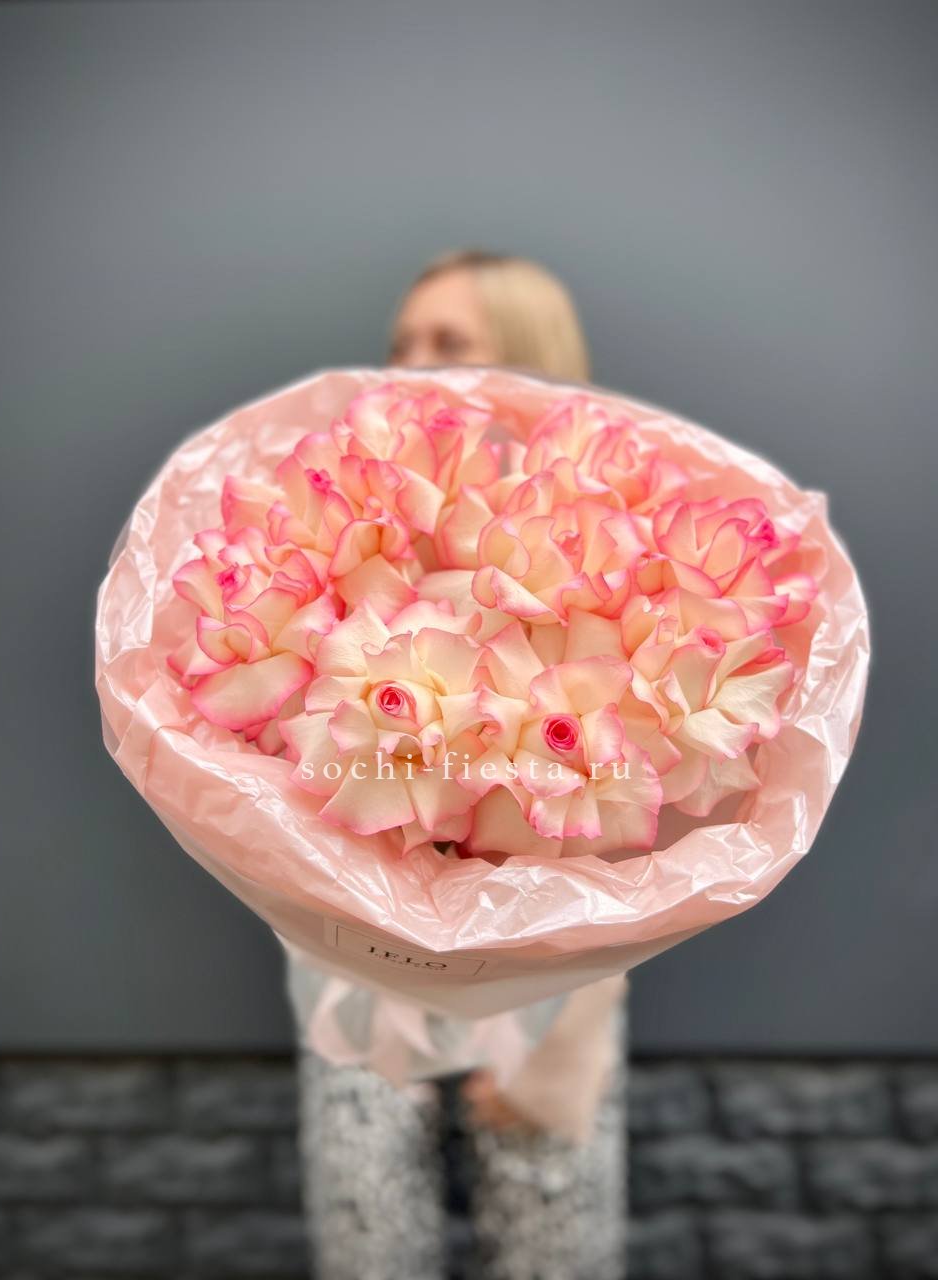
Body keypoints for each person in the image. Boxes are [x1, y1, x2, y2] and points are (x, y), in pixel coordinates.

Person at [287, 251, 628, 1280]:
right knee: (366, 1242)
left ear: (524, 355)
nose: (410, 363)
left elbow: (630, 818)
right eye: (401, 342)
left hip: (548, 975)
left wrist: (563, 1038)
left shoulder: (605, 535)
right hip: (355, 958)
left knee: (552, 1243)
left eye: (448, 341)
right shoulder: (348, 517)